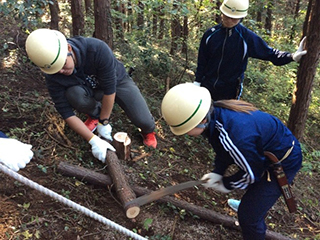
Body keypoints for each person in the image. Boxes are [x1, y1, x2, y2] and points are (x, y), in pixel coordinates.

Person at [161, 83, 302, 240]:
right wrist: (218, 172)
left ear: (200, 119)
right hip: (261, 154)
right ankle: (249, 202)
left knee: (248, 216)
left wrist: (226, 184)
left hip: (284, 161)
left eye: (186, 129)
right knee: (251, 198)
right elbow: (224, 151)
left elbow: (251, 174)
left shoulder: (236, 135)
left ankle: (250, 211)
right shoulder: (216, 117)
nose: (186, 133)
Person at [25, 29, 157, 163]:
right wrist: (93, 140)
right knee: (74, 95)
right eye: (56, 69)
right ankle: (94, 114)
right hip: (88, 88)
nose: (61, 71)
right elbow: (66, 112)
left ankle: (148, 131)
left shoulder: (96, 49)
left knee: (144, 121)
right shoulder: (52, 74)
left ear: (69, 48)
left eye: (63, 64)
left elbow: (109, 89)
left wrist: (104, 122)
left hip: (118, 82)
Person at [194, 0, 307, 101]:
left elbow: (270, 54)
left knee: (225, 121)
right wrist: (197, 81)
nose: (229, 20)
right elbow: (202, 60)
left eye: (234, 18)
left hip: (230, 92)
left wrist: (291, 56)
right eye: (227, 16)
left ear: (241, 17)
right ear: (222, 13)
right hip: (206, 86)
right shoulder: (210, 34)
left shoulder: (246, 38)